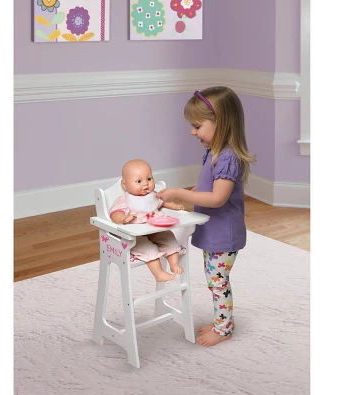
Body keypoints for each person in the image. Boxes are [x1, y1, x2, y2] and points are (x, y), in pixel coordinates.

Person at [156, 87, 256, 346]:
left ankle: (224, 329)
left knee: (218, 282)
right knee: (214, 281)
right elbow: (208, 187)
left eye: (197, 126)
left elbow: (217, 198)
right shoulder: (215, 153)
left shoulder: (227, 158)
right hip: (214, 233)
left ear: (220, 123)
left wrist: (180, 192)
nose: (192, 132)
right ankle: (222, 320)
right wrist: (190, 193)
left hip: (223, 235)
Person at [109, 159, 185, 282]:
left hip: (155, 231)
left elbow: (163, 202)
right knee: (149, 249)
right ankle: (159, 274)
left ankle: (174, 263)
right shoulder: (125, 200)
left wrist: (174, 206)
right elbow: (115, 214)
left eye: (149, 179)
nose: (145, 184)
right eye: (139, 181)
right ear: (125, 185)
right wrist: (123, 218)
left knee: (169, 238)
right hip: (135, 237)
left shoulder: (153, 195)